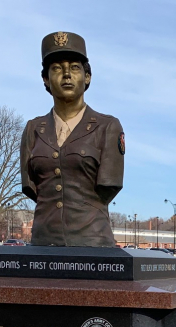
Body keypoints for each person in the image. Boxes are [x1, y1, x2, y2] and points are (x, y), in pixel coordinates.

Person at [21, 32, 124, 247]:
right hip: (43, 244)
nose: (66, 74)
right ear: (46, 79)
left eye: (75, 67)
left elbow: (109, 186)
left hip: (93, 244)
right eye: (57, 68)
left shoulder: (107, 127)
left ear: (87, 77)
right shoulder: (33, 129)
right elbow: (31, 187)